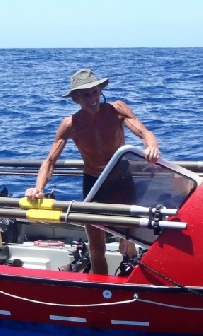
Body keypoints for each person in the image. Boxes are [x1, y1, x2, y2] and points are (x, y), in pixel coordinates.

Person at [25, 69, 160, 275]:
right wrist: (38, 188)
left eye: (95, 92)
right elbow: (51, 160)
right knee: (97, 247)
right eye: (86, 95)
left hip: (122, 180)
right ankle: (101, 289)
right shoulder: (70, 124)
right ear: (76, 99)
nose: (93, 99)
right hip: (94, 184)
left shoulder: (117, 109)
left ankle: (131, 279)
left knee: (128, 240)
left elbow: (144, 132)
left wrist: (152, 147)